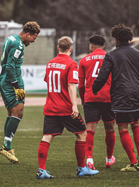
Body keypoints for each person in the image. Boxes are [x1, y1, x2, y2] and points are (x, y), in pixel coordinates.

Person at [92, 23, 139, 172]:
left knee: (123, 127)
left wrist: (94, 88)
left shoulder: (111, 55)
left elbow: (102, 76)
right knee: (136, 124)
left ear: (115, 39)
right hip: (137, 95)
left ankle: (133, 163)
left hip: (121, 96)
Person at [36, 36, 99, 179]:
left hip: (51, 107)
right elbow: (71, 85)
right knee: (82, 134)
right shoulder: (71, 64)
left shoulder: (50, 63)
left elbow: (49, 82)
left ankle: (41, 170)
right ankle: (81, 168)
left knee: (47, 136)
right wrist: (74, 106)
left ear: (58, 48)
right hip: (65, 108)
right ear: (71, 49)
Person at [0, 21, 40, 163]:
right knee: (18, 113)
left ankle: (8, 147)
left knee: (11, 113)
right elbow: (10, 65)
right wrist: (16, 85)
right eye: (34, 38)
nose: (33, 41)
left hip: (6, 80)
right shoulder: (18, 44)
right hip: (11, 81)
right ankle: (6, 146)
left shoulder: (11, 38)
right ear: (28, 34)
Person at [78, 35, 116, 170]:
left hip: (90, 98)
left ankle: (89, 159)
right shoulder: (111, 57)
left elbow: (81, 85)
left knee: (90, 130)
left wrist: (83, 99)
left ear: (91, 46)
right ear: (103, 46)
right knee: (110, 129)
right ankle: (109, 159)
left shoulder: (84, 60)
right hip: (108, 98)